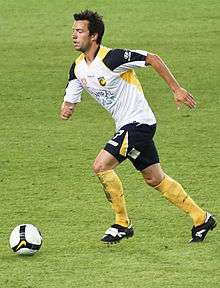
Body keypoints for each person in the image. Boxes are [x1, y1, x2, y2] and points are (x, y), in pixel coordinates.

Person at [60, 10, 217, 244]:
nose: (74, 35)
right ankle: (201, 218)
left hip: (139, 123)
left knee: (101, 166)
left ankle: (122, 223)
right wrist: (67, 108)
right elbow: (70, 99)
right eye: (73, 31)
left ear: (94, 36)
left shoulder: (112, 58)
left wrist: (176, 89)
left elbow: (152, 58)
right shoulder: (77, 68)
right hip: (127, 126)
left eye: (80, 31)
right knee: (154, 178)